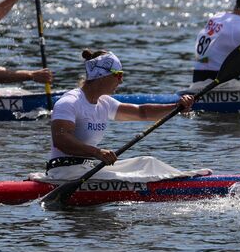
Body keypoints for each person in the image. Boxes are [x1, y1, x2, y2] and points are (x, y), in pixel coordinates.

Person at [47, 50, 195, 171]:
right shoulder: (70, 102)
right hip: (64, 171)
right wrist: (97, 152)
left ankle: (185, 178)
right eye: (118, 75)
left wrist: (177, 107)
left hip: (85, 167)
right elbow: (61, 140)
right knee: (144, 170)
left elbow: (141, 112)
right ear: (101, 75)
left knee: (147, 162)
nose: (121, 81)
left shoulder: (104, 102)